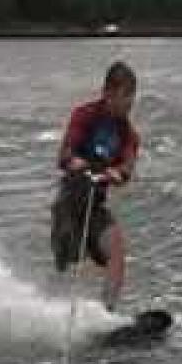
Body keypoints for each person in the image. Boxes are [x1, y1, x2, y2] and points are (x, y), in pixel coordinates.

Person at [51, 61, 140, 312]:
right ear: (107, 94)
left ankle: (106, 314)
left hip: (95, 207)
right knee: (69, 259)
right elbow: (64, 155)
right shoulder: (85, 115)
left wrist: (117, 173)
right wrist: (75, 161)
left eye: (131, 99)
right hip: (69, 203)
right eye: (124, 98)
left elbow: (127, 169)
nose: (128, 105)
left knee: (117, 250)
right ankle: (54, 313)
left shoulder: (129, 135)